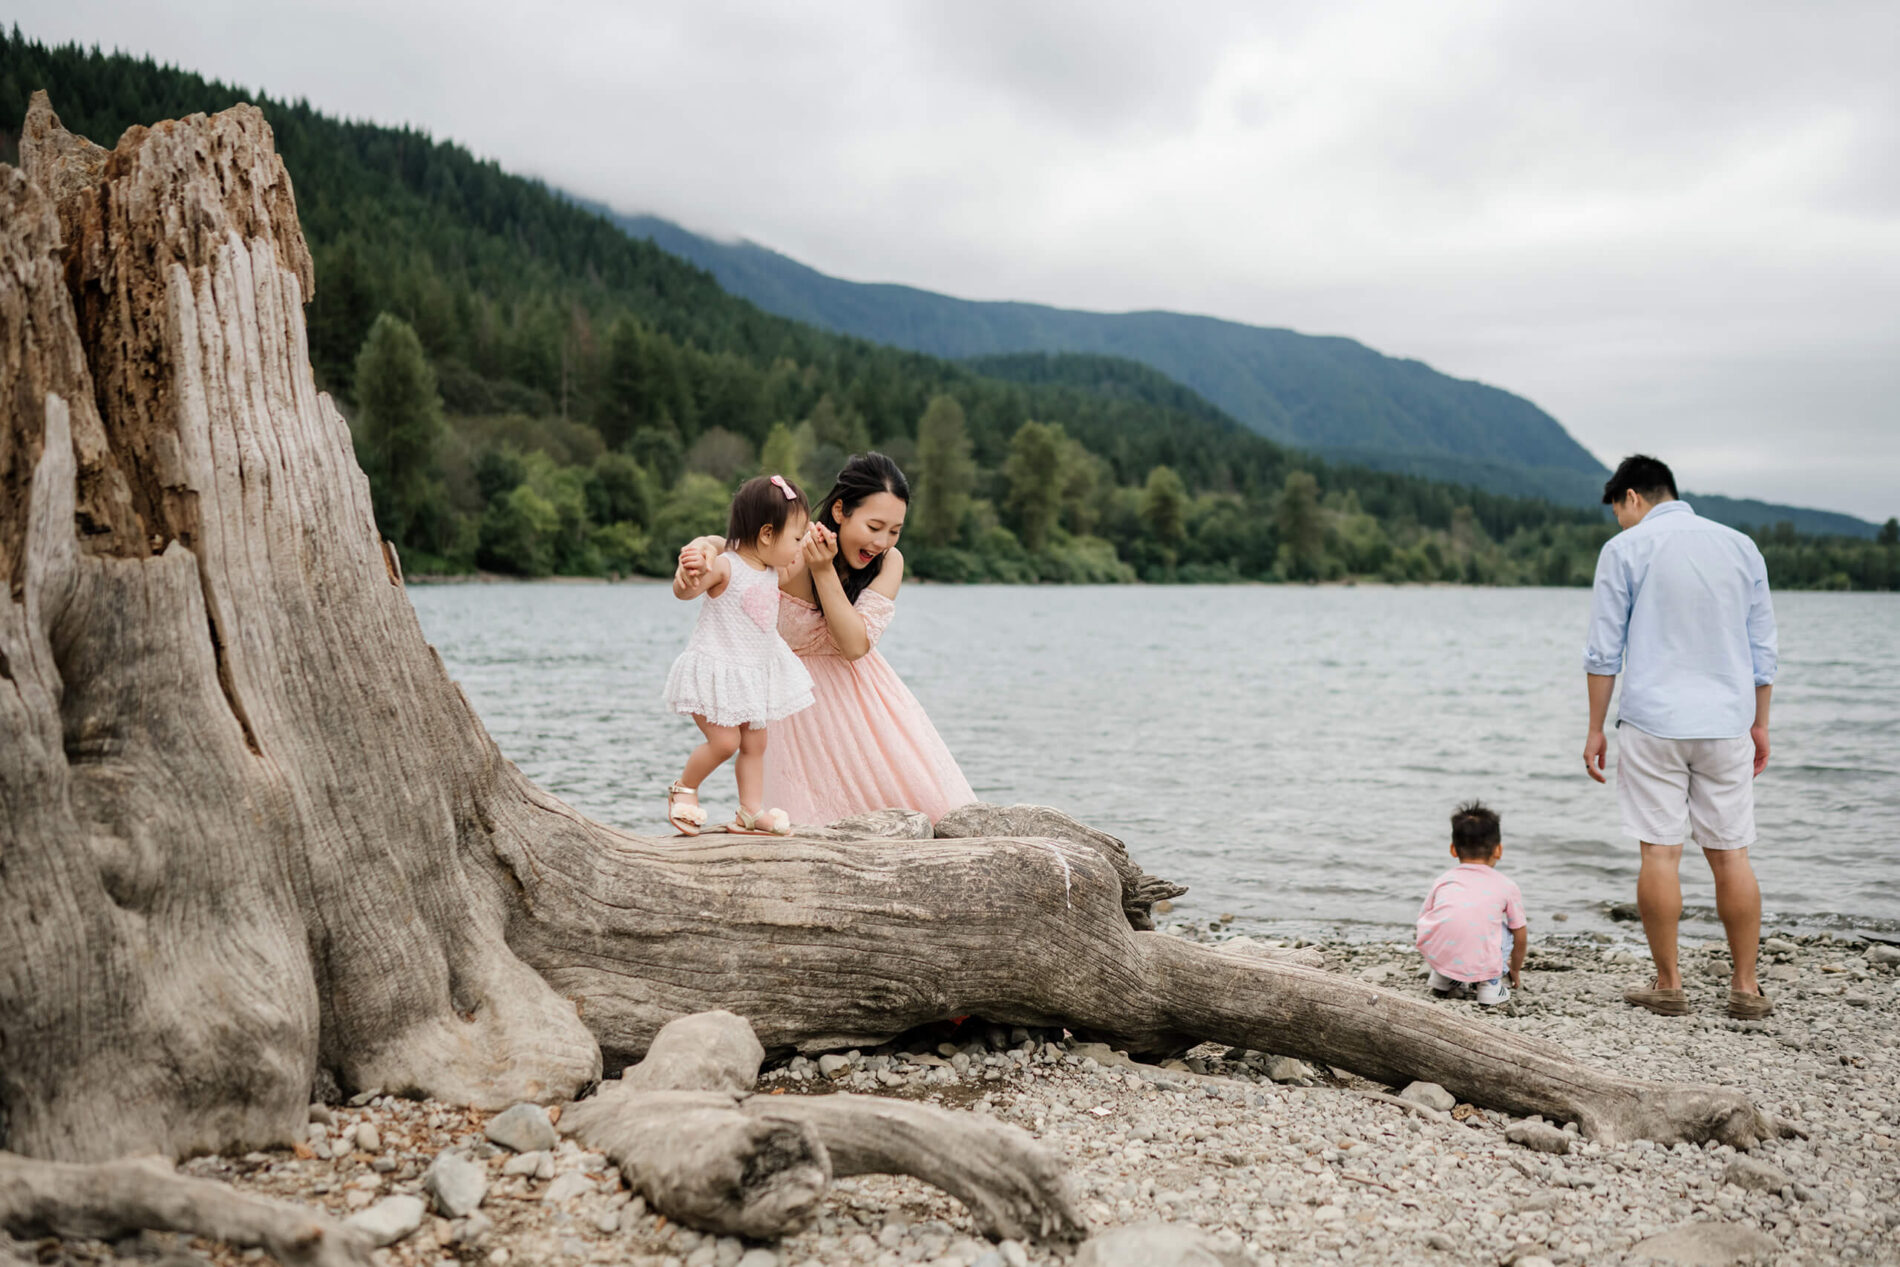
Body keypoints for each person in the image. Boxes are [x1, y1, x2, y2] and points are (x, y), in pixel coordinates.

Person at [1581, 455, 1778, 1020]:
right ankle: (1744, 987)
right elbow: (1763, 651)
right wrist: (1760, 722)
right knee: (1731, 854)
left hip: (1652, 722)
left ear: (1632, 498)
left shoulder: (1626, 549)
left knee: (1660, 852)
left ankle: (1669, 984)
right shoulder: (1741, 546)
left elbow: (1602, 651)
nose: (1620, 520)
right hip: (1726, 720)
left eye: (1618, 509)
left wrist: (1595, 728)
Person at [680, 452, 976, 825]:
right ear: (839, 511)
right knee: (803, 823)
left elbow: (854, 646)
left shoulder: (889, 563)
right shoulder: (790, 550)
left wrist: (823, 570)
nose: (882, 541)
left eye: (894, 530)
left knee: (923, 810)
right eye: (874, 526)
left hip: (864, 707)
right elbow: (734, 553)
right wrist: (700, 550)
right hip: (793, 705)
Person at [662, 474, 815, 836]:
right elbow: (688, 589)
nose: (798, 546)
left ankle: (750, 811)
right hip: (717, 671)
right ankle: (684, 790)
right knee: (725, 742)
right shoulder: (727, 565)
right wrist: (688, 573)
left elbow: (802, 560)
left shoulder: (771, 569)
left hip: (753, 674)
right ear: (765, 534)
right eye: (795, 538)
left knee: (756, 742)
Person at [1416, 801, 1527, 1006]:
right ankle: (1489, 985)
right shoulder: (1506, 886)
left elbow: (1425, 918)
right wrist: (1515, 970)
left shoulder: (1443, 880)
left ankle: (1443, 977)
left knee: (1450, 922)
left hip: (1440, 953)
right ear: (1498, 850)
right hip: (1480, 957)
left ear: (1453, 849)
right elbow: (1520, 934)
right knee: (1504, 929)